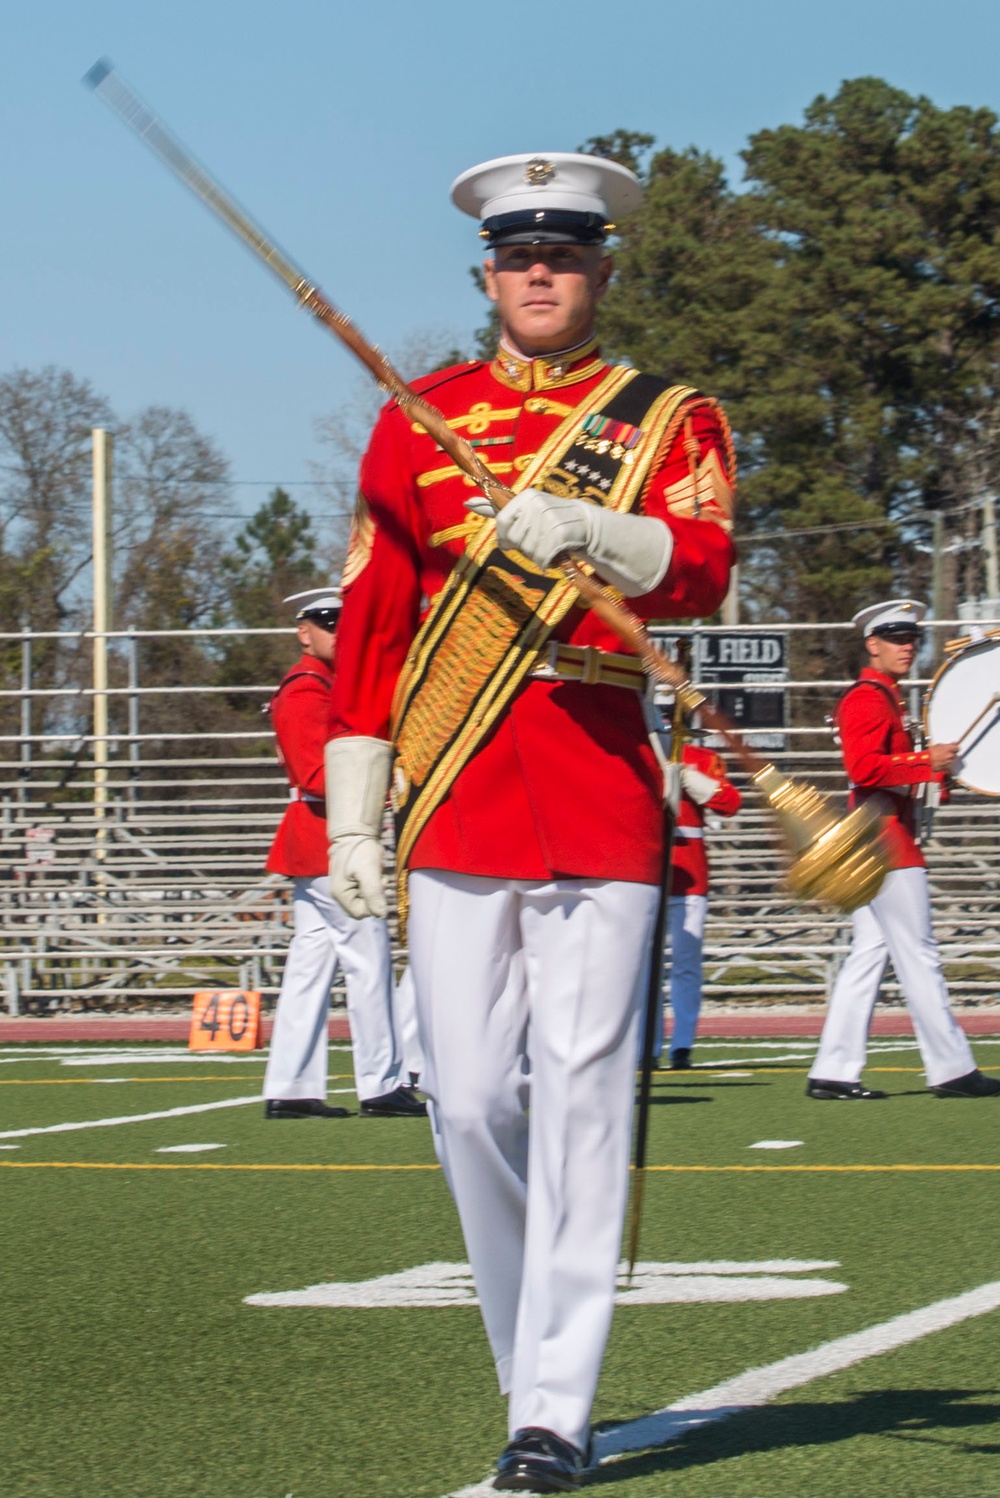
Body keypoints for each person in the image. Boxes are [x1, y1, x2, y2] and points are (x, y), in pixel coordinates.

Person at [325, 153, 736, 1492]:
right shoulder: (417, 420)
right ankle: (529, 1363)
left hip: (600, 784)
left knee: (582, 1100)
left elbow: (707, 569)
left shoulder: (668, 418)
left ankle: (553, 1403)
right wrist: (353, 814)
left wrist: (594, 532)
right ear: (487, 276)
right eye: (518, 257)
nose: (540, 273)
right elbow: (377, 621)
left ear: (603, 270)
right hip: (452, 787)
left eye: (564, 254)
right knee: (469, 1098)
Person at [807, 598, 999, 1102]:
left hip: (877, 840)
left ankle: (833, 1070)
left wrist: (936, 770)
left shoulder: (888, 698)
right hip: (887, 844)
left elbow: (894, 768)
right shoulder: (868, 698)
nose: (907, 647)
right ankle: (952, 1069)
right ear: (872, 644)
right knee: (919, 956)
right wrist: (925, 759)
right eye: (896, 638)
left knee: (868, 956)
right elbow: (865, 769)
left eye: (912, 639)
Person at [261, 588, 426, 1120]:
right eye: (327, 624)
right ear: (303, 631)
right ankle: (382, 1083)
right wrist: (390, 781)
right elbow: (317, 774)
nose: (339, 633)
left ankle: (290, 1087)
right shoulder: (308, 691)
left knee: (311, 967)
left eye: (345, 624)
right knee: (368, 958)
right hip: (324, 835)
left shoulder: (329, 686)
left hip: (320, 838)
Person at [652, 738, 741, 1069]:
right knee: (645, 968)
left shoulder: (699, 757)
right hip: (646, 872)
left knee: (686, 965)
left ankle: (682, 1044)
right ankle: (647, 1045)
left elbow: (730, 802)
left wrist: (693, 780)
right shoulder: (633, 746)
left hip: (689, 874)